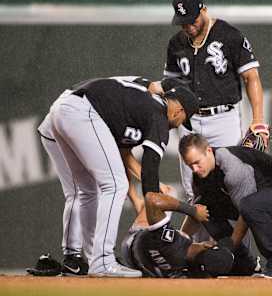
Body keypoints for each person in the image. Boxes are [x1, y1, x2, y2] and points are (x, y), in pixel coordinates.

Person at [41, 76, 199, 277]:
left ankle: (90, 258)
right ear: (179, 111)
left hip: (62, 110)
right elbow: (149, 171)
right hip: (81, 112)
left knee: (89, 190)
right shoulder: (158, 116)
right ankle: (102, 261)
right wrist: (155, 217)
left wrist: (142, 197)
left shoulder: (140, 103)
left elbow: (123, 155)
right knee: (115, 185)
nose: (178, 126)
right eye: (183, 121)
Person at [164, 0, 268, 204]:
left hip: (223, 119)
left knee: (234, 183)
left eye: (192, 20)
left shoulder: (229, 35)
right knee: (194, 192)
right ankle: (202, 239)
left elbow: (251, 77)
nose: (188, 27)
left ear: (204, 10)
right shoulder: (176, 44)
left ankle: (234, 239)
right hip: (189, 122)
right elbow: (169, 85)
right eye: (183, 22)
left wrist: (258, 120)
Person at [179, 134, 272, 279]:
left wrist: (227, 250)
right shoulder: (200, 177)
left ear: (209, 151)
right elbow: (197, 212)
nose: (195, 169)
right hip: (260, 200)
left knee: (250, 205)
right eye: (189, 165)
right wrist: (179, 243)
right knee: (204, 206)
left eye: (197, 162)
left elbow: (246, 214)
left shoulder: (233, 168)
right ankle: (246, 264)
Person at [120, 187, 235, 278]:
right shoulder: (193, 274)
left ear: (208, 245)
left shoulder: (171, 241)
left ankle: (133, 196)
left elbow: (152, 199)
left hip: (132, 243)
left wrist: (192, 211)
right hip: (140, 263)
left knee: (170, 191)